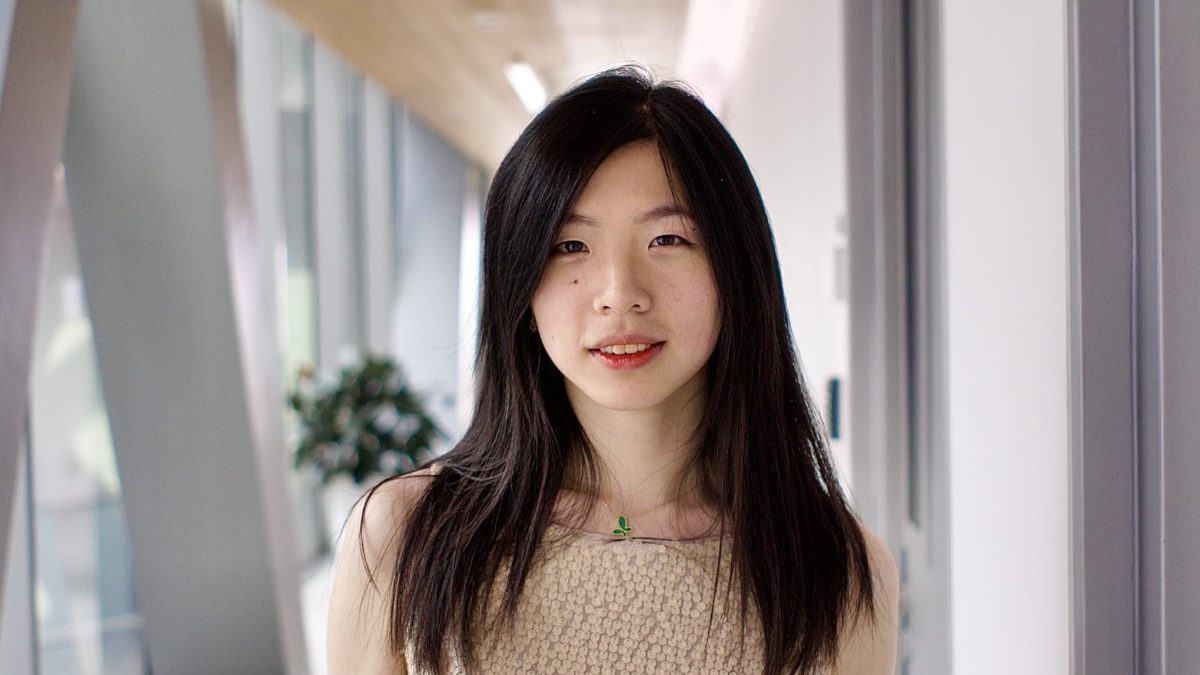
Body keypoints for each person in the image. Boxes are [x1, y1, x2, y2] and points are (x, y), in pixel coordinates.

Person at [327, 65, 899, 674]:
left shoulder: (834, 571)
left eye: (668, 240)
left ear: (737, 272)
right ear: (521, 292)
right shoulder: (403, 537)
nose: (619, 293)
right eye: (570, 246)